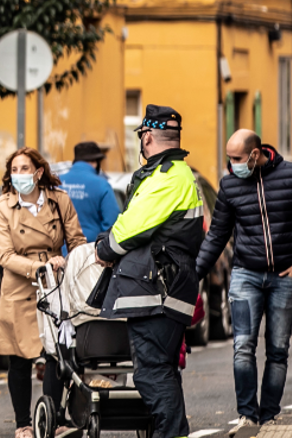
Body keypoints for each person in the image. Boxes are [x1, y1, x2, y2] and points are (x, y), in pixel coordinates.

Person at [196, 130, 292, 434]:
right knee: (243, 346)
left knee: (278, 349)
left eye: (237, 159)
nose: (232, 165)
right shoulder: (229, 185)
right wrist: (195, 274)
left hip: (285, 276)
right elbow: (217, 235)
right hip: (245, 274)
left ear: (255, 154)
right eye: (229, 158)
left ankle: (268, 416)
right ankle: (247, 416)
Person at [95, 104, 203, 438]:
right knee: (165, 371)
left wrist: (104, 248)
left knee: (152, 374)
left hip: (158, 288)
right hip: (171, 284)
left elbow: (132, 227)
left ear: (148, 137)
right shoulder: (181, 173)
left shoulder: (167, 176)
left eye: (142, 136)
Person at [0, 147, 86, 438]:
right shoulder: (2, 206)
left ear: (39, 172)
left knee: (57, 353)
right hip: (20, 286)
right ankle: (23, 424)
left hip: (55, 285)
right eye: (14, 170)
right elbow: (5, 255)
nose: (19, 175)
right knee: (19, 356)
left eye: (24, 168)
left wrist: (72, 263)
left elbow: (78, 242)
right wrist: (39, 266)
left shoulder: (59, 201)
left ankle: (55, 418)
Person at [59, 141, 120, 242]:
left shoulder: (57, 182)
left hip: (59, 251)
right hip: (89, 250)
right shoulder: (102, 184)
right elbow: (112, 223)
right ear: (95, 162)